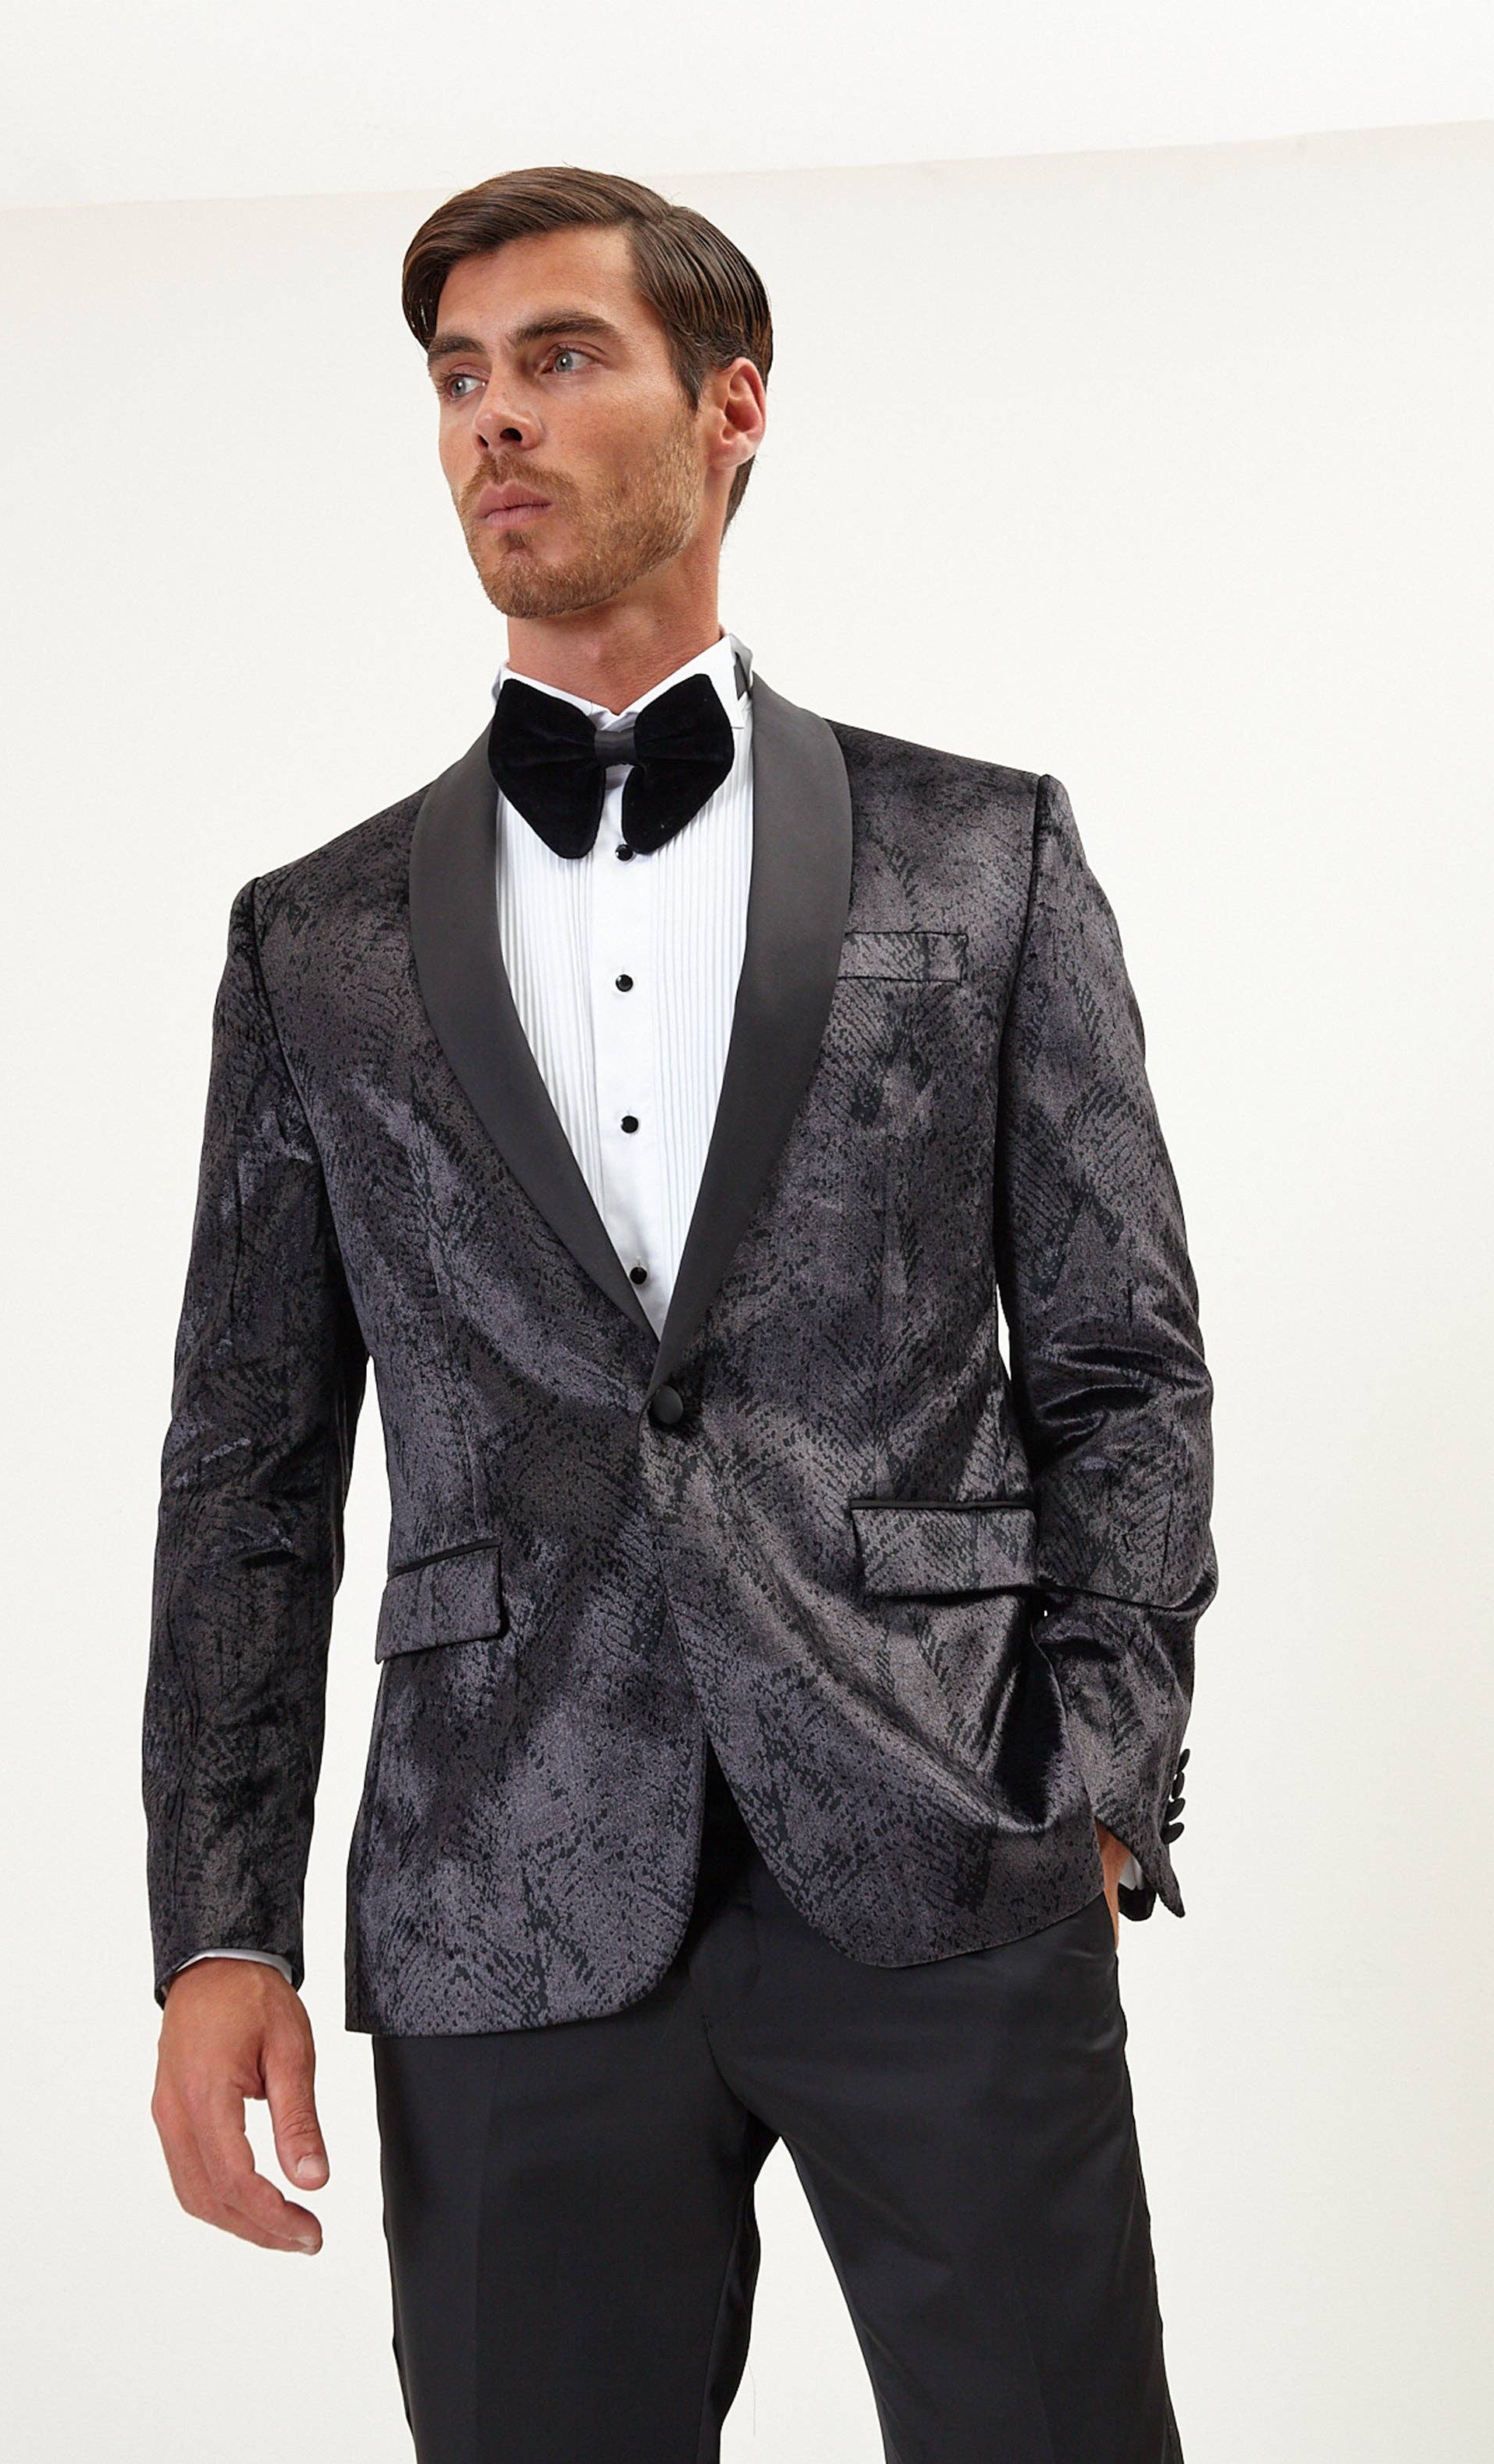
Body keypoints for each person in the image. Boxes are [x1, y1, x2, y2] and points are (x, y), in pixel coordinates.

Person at [144, 163, 1216, 2463]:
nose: (493, 421)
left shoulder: (985, 855)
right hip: (499, 1878)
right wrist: (221, 1929)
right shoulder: (312, 939)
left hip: (946, 1837)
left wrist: (1100, 1784)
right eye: (458, 378)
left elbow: (1122, 1360)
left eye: (560, 358)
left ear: (733, 407)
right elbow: (248, 1468)